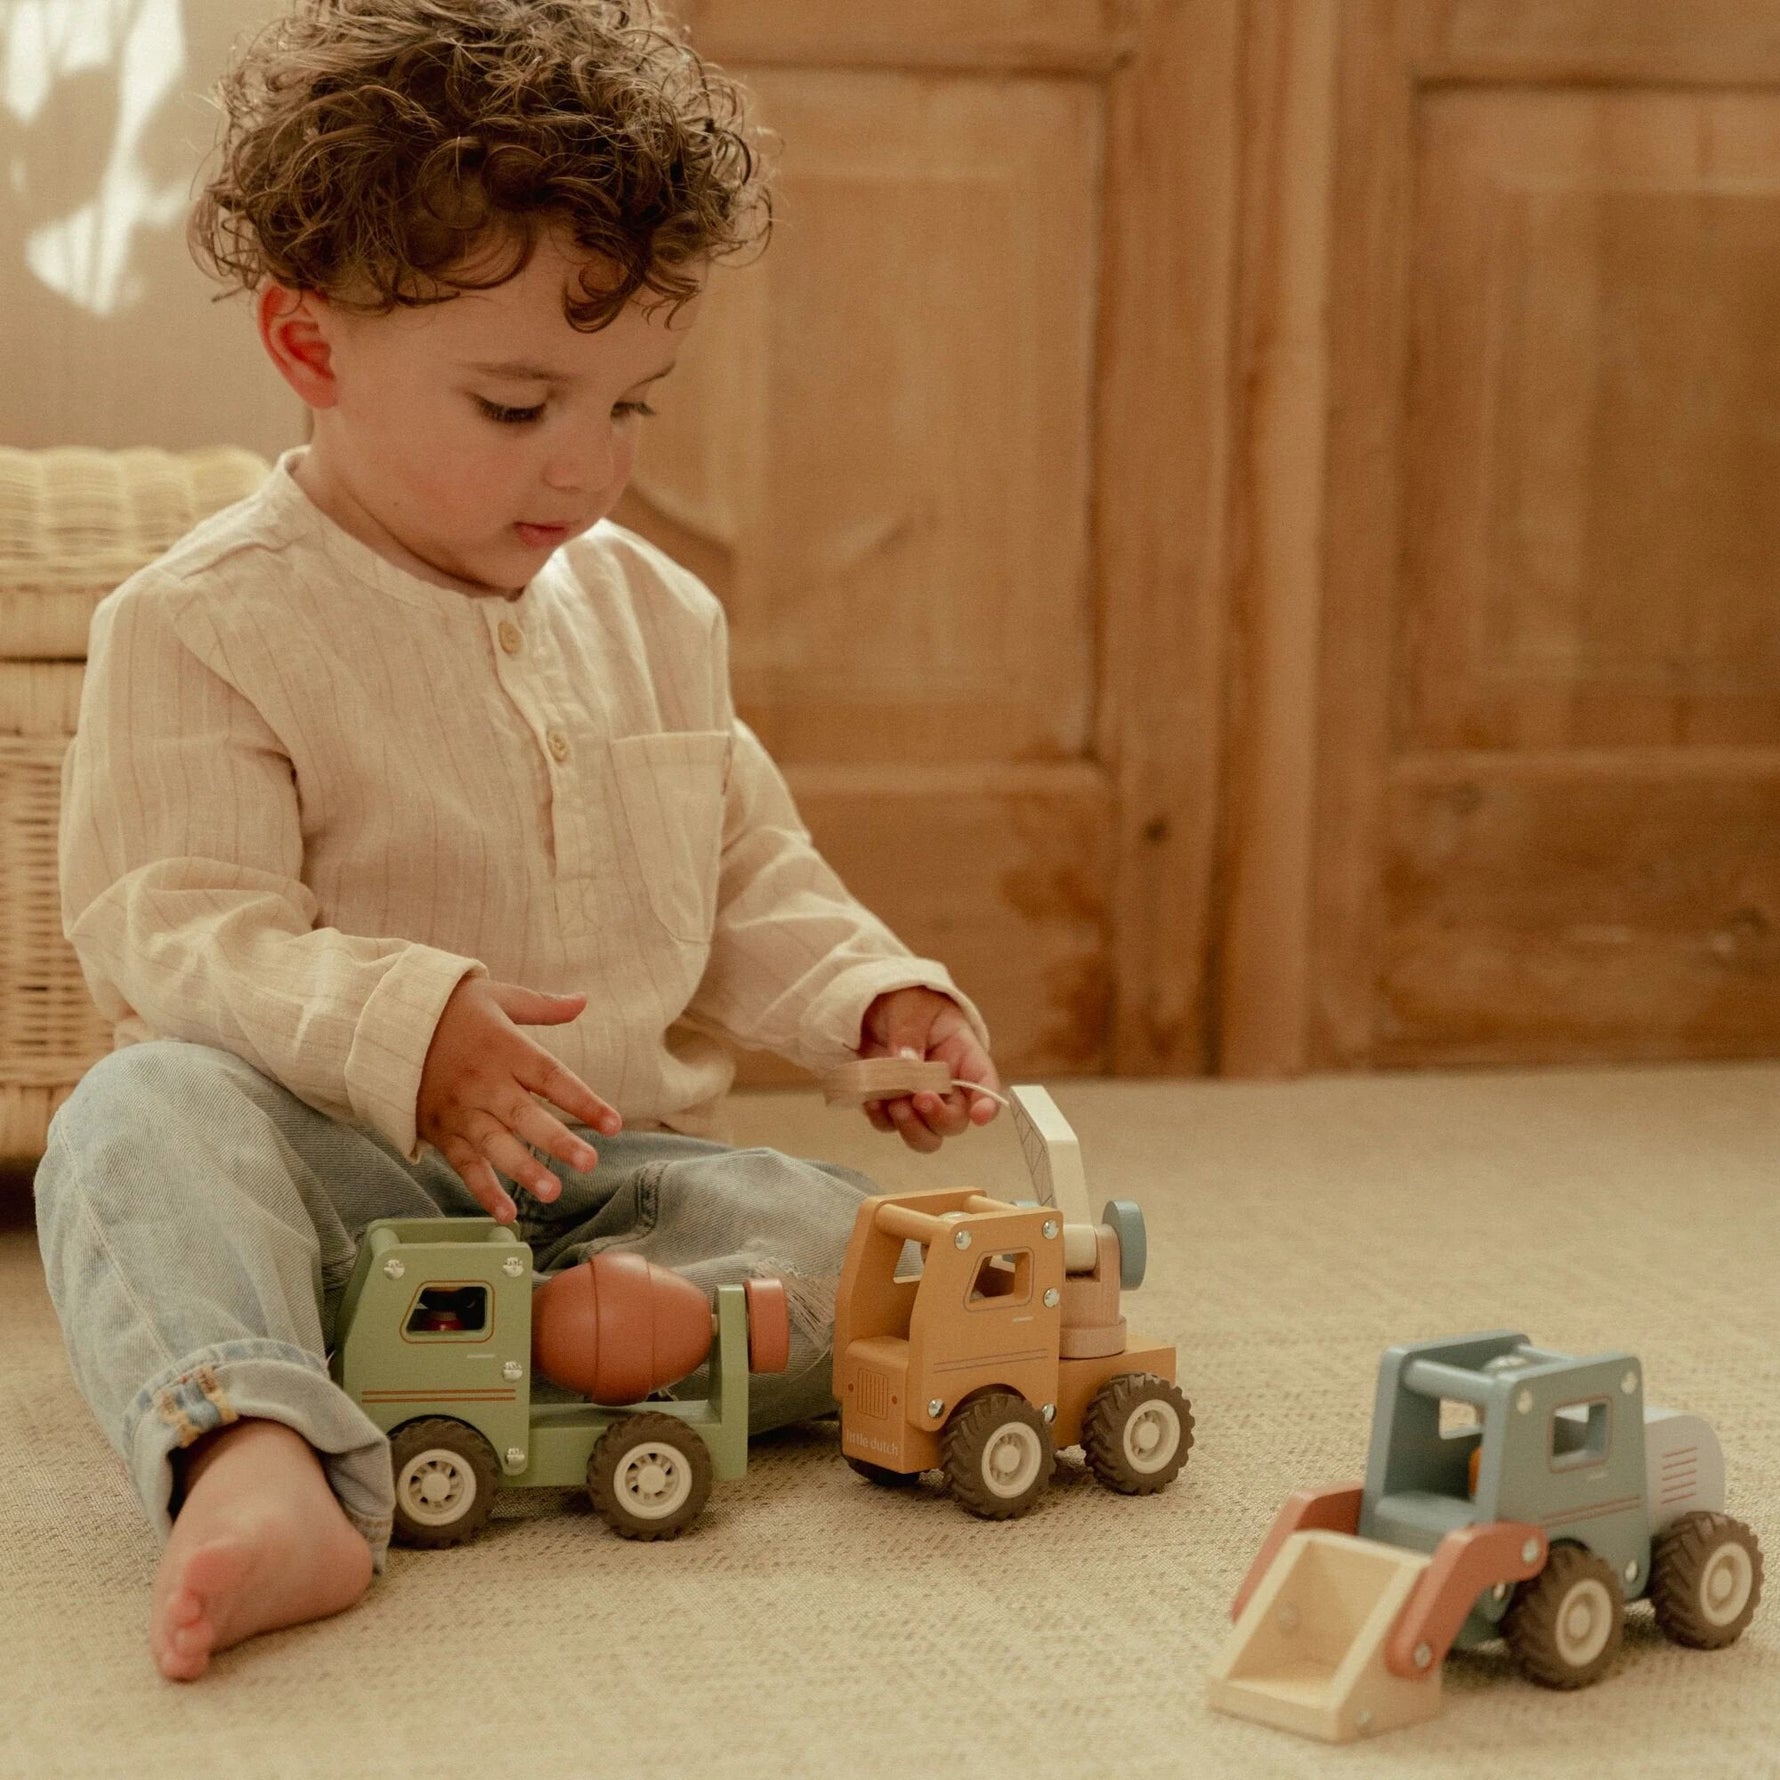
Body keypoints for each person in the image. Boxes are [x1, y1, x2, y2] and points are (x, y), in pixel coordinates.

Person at [33, 0, 999, 1683]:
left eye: (633, 409)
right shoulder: (200, 623)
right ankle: (256, 1448)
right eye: (514, 406)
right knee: (132, 1128)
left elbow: (744, 873)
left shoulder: (659, 614)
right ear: (310, 346)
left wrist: (871, 1003)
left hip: (620, 1188)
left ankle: (551, 1353)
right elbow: (177, 930)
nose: (588, 468)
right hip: (340, 1185)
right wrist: (408, 1030)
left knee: (874, 1252)